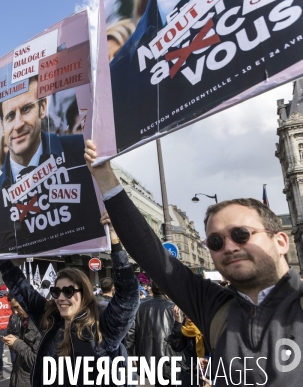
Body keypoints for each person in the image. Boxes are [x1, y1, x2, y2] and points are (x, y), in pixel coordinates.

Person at [85, 140, 303, 385]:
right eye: (216, 242)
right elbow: (151, 255)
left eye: (241, 234)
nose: (229, 246)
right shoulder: (214, 307)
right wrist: (103, 175)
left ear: (281, 241)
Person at [0, 223, 139, 387]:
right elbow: (21, 287)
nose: (61, 297)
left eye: (69, 291)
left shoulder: (101, 325)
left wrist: (115, 241)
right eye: (56, 292)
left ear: (84, 294)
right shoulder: (50, 319)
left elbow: (128, 295)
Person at [0, 75, 105, 254]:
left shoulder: (81, 152)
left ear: (43, 108)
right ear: (2, 126)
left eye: (26, 109)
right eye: (10, 116)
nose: (18, 124)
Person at [132, 281, 180, 385]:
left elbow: (131, 333)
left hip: (147, 354)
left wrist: (132, 355)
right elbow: (180, 333)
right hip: (170, 356)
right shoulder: (175, 308)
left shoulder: (140, 307)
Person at [2, 295, 42, 387]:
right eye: (13, 308)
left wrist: (16, 343)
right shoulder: (25, 321)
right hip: (18, 378)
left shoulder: (42, 325)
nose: (15, 312)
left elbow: (35, 361)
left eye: (17, 307)